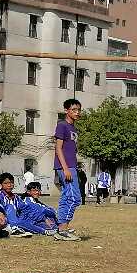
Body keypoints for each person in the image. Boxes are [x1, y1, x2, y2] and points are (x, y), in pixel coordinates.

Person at [54, 99, 82, 241]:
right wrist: (65, 169)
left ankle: (61, 228)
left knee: (66, 197)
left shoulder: (74, 128)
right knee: (74, 198)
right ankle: (62, 229)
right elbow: (58, 148)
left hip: (72, 166)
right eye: (74, 110)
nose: (77, 112)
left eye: (78, 110)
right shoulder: (62, 126)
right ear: (66, 110)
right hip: (66, 167)